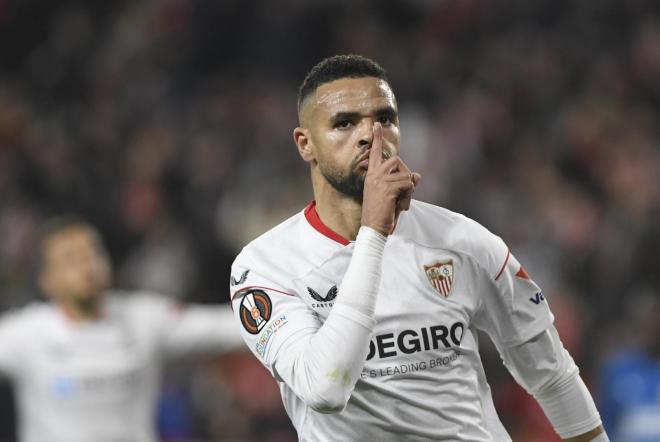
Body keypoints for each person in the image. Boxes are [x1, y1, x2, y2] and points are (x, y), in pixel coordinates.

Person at [229, 54, 608, 441]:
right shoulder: (264, 266)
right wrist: (374, 232)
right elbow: (326, 388)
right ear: (305, 143)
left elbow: (552, 374)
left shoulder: (464, 242)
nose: (369, 136)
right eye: (344, 123)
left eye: (385, 119)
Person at [0, 217, 243, 442]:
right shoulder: (26, 335)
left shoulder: (144, 318)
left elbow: (223, 328)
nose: (87, 265)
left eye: (92, 253)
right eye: (70, 259)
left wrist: (274, 309)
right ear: (47, 280)